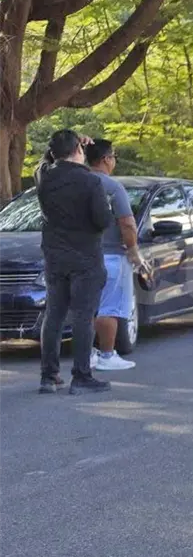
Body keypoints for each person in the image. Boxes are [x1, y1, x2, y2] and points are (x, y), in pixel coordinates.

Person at [35, 130, 115, 395]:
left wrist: (63, 146)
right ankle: (81, 376)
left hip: (55, 257)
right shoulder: (90, 181)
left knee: (54, 315)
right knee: (83, 315)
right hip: (86, 257)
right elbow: (103, 220)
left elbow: (46, 160)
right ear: (79, 152)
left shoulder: (44, 177)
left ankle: (49, 376)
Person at [85, 139, 149, 372]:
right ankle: (107, 354)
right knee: (109, 308)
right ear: (105, 159)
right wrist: (133, 251)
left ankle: (88, 353)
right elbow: (127, 223)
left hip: (82, 255)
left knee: (87, 308)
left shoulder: (78, 184)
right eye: (113, 157)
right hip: (111, 255)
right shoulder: (112, 187)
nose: (114, 161)